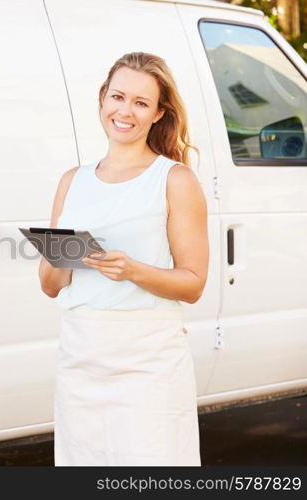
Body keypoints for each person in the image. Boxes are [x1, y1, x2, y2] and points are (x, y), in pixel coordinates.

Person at [39, 52, 209, 466]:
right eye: (118, 96)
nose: (125, 111)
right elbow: (49, 285)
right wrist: (67, 256)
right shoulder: (71, 181)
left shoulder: (174, 180)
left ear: (158, 113)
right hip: (81, 358)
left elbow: (193, 285)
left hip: (148, 364)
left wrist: (133, 271)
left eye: (140, 102)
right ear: (102, 99)